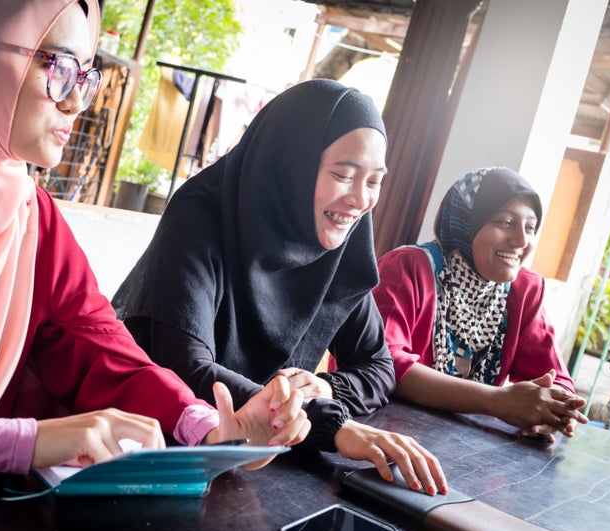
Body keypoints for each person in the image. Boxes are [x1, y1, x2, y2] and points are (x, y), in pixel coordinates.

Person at [0, 0, 311, 475]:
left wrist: (208, 427)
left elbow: (100, 349)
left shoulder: (28, 216)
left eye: (85, 76)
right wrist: (22, 442)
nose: (76, 104)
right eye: (57, 67)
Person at [113, 79, 447, 496]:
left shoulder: (339, 244)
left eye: (375, 181)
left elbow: (378, 367)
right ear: (292, 165)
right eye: (344, 175)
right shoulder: (202, 216)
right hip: (162, 454)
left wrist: (324, 386)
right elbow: (186, 368)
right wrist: (330, 424)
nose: (360, 200)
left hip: (265, 466)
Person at [372, 167, 587, 442]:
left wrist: (554, 408)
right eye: (505, 222)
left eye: (530, 228)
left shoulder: (524, 290)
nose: (521, 240)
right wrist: (497, 400)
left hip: (465, 450)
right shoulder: (408, 267)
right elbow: (383, 363)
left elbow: (555, 377)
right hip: (378, 435)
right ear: (465, 222)